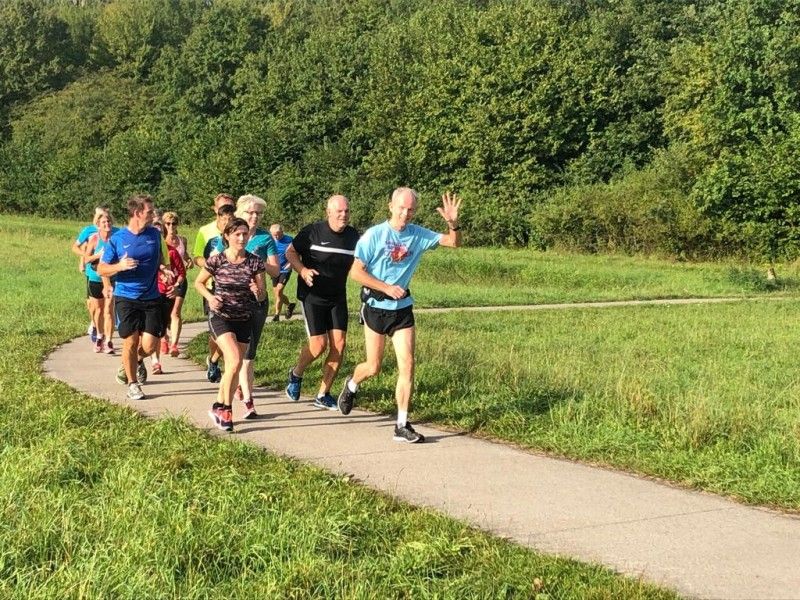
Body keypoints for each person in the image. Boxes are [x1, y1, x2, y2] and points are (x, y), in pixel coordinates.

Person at [337, 188, 462, 443]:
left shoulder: (417, 235)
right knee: (373, 367)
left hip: (402, 310)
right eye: (401, 208)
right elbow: (356, 273)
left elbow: (453, 242)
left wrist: (453, 224)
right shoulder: (374, 235)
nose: (405, 214)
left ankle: (402, 425)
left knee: (408, 364)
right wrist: (385, 287)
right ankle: (352, 384)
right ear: (391, 206)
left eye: (411, 209)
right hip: (375, 306)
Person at [285, 195, 360, 410]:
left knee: (339, 345)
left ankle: (323, 394)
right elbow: (290, 252)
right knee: (318, 346)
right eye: (339, 211)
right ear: (328, 212)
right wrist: (303, 270)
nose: (344, 215)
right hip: (312, 296)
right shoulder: (313, 232)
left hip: (337, 297)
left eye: (347, 211)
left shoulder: (353, 236)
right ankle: (296, 374)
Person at [194, 217, 267, 432]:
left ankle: (218, 405)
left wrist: (257, 291)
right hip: (221, 316)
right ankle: (226, 410)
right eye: (237, 234)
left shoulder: (255, 262)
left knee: (233, 368)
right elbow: (198, 283)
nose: (242, 238)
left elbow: (262, 295)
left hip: (244, 318)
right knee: (234, 360)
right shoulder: (217, 260)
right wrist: (210, 297)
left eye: (245, 234)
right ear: (227, 236)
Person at [98, 194, 172, 401]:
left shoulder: (154, 234)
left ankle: (135, 360)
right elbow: (102, 268)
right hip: (126, 297)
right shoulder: (118, 238)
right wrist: (120, 266)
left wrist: (163, 269)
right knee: (130, 342)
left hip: (151, 297)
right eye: (150, 211)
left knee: (150, 346)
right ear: (138, 213)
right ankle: (132, 384)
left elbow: (159, 258)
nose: (154, 214)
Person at [214, 195, 279, 418]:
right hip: (228, 303)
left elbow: (276, 271)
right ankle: (234, 399)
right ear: (239, 213)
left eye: (258, 213)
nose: (255, 217)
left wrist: (256, 265)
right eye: (250, 212)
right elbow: (214, 265)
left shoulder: (265, 238)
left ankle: (245, 397)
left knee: (248, 354)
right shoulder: (226, 237)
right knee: (233, 358)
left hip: (256, 302)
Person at [193, 193, 236, 383]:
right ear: (215, 210)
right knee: (216, 331)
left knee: (233, 331)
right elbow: (197, 257)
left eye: (230, 209)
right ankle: (214, 360)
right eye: (222, 209)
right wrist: (213, 265)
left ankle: (229, 370)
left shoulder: (240, 229)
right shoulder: (205, 231)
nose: (227, 213)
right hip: (213, 288)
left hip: (236, 288)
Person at [150, 213, 186, 375]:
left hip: (167, 294)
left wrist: (176, 285)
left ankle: (169, 344)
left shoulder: (172, 252)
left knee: (161, 327)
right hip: (149, 294)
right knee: (153, 328)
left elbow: (182, 273)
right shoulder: (145, 253)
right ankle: (155, 362)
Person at [72, 206, 113, 341]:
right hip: (92, 272)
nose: (105, 221)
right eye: (99, 216)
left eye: (106, 217)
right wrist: (84, 259)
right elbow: (76, 247)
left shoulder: (114, 232)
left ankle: (105, 336)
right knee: (93, 305)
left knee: (107, 306)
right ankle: (95, 324)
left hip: (109, 274)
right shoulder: (89, 231)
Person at [83, 212, 116, 354]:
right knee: (99, 310)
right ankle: (99, 336)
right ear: (98, 225)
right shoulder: (95, 239)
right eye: (104, 222)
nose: (107, 224)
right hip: (95, 278)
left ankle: (109, 341)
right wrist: (98, 255)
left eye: (108, 221)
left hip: (112, 278)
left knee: (109, 310)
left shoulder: (115, 239)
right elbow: (86, 259)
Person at [161, 211, 191, 357]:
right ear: (164, 225)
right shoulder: (161, 241)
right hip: (164, 281)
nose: (171, 226)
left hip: (180, 280)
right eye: (168, 223)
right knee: (163, 314)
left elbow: (185, 256)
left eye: (174, 223)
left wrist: (189, 261)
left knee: (175, 312)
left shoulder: (182, 240)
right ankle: (164, 338)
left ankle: (174, 344)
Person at [269, 223, 296, 322]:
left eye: (278, 234)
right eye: (274, 235)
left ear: (282, 232)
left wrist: (291, 263)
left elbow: (296, 253)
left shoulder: (289, 240)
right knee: (277, 293)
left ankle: (276, 315)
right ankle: (290, 305)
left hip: (285, 269)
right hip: (274, 268)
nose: (276, 237)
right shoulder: (269, 240)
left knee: (279, 290)